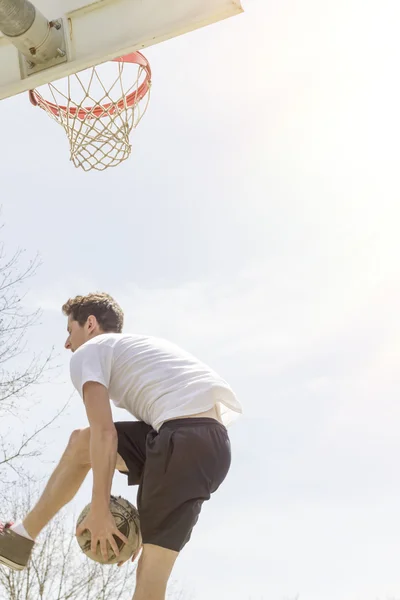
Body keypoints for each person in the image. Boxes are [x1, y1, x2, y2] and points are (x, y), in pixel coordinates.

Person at [0, 292, 242, 600]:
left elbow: (105, 434)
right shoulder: (131, 352)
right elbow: (96, 440)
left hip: (183, 440)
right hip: (200, 443)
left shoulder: (90, 352)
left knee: (149, 579)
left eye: (69, 331)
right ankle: (20, 538)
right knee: (80, 443)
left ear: (90, 324)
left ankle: (21, 538)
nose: (67, 343)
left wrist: (100, 509)